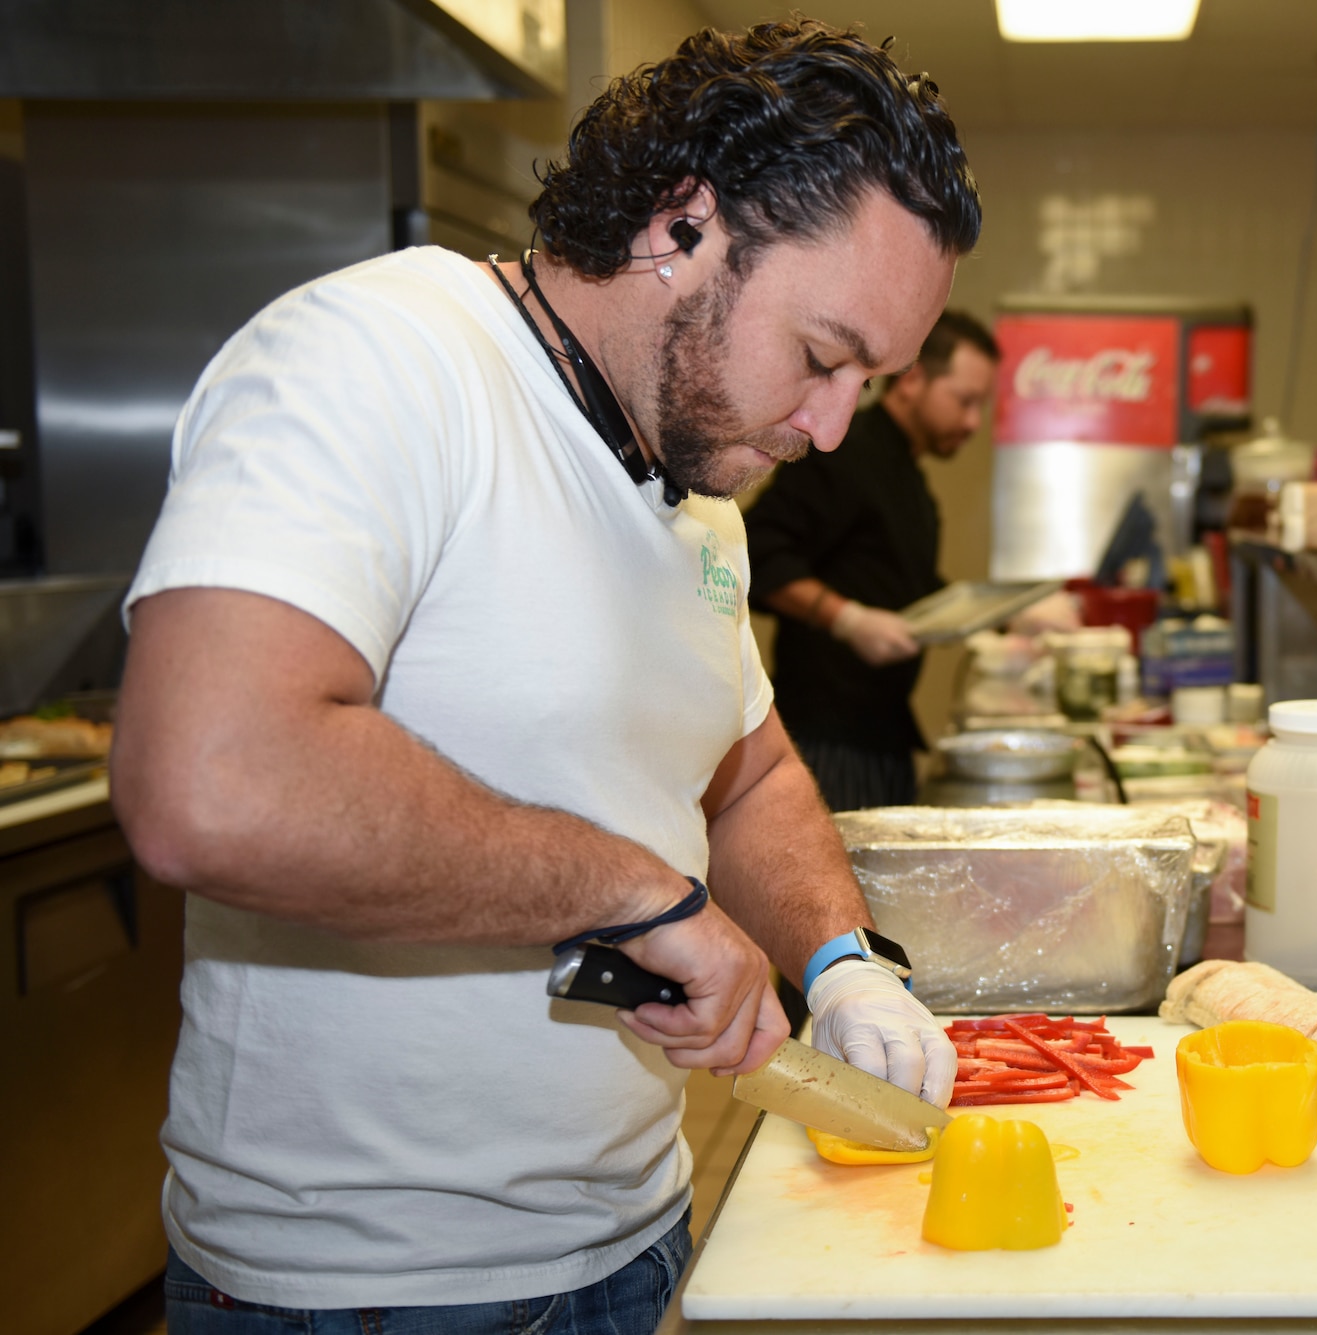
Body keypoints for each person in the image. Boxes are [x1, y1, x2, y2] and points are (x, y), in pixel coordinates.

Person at [109, 21, 977, 1330]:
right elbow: (212, 780)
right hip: (368, 1291)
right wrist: (629, 888)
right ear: (681, 226)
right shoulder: (383, 359)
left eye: (871, 380)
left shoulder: (696, 486)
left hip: (631, 1237)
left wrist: (845, 959)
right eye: (821, 355)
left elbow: (745, 766)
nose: (830, 426)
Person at [745, 311, 998, 810]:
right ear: (914, 381)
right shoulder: (848, 450)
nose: (973, 423)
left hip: (884, 735)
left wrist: (1004, 620)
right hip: (827, 740)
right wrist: (846, 620)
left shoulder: (910, 476)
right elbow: (758, 551)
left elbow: (907, 583)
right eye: (964, 401)